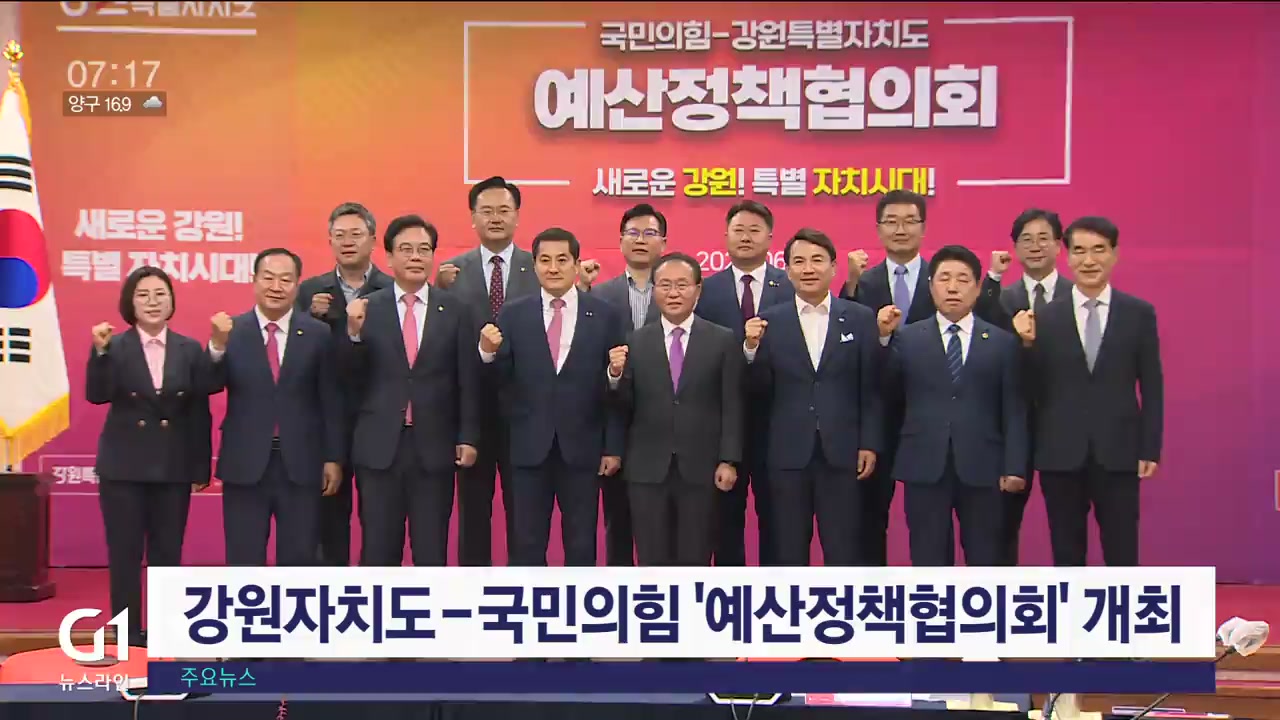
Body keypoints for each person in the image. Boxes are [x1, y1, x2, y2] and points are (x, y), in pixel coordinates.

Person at [838, 189, 1008, 567]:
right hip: (879, 419)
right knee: (870, 519)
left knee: (966, 536)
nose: (900, 229)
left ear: (923, 227)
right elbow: (849, 348)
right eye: (891, 222)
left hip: (940, 422)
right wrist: (851, 288)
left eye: (909, 221)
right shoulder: (862, 283)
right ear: (878, 228)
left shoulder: (946, 278)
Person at [1012, 216, 1163, 567]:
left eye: (1099, 250)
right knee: (1067, 553)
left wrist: (1149, 447)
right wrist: (1027, 346)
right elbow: (1031, 389)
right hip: (1060, 453)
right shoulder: (1044, 317)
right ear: (1067, 256)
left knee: (1122, 551)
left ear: (1115, 254)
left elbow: (1152, 385)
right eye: (1079, 251)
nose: (1089, 260)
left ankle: (1121, 605)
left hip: (1119, 451)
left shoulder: (1139, 314)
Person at [478, 227, 626, 567]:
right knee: (526, 544)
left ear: (576, 264)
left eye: (562, 260)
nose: (554, 268)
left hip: (584, 448)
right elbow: (500, 381)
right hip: (528, 448)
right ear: (534, 265)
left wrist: (613, 446)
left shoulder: (605, 314)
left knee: (581, 544)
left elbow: (618, 391)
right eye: (545, 260)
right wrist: (487, 354)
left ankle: (579, 602)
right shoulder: (513, 314)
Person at [342, 214, 480, 566]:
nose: (416, 256)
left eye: (423, 249)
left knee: (431, 551)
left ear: (433, 255)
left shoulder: (456, 311)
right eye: (406, 249)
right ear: (389, 257)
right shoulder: (366, 308)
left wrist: (468, 436)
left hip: (434, 446)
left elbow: (467, 378)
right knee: (378, 550)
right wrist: (353, 335)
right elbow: (349, 381)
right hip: (378, 446)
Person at [878, 245, 1028, 567]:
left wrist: (1015, 466)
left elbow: (1014, 409)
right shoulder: (907, 338)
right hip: (924, 464)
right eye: (944, 278)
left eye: (962, 279)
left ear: (977, 287)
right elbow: (886, 393)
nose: (953, 287)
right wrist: (883, 340)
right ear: (931, 286)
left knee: (985, 557)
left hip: (984, 465)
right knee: (928, 558)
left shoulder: (1001, 342)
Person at [85, 266, 212, 646]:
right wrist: (100, 352)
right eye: (143, 295)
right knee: (124, 555)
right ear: (130, 303)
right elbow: (97, 394)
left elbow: (199, 412)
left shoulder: (189, 349)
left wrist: (200, 467)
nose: (153, 302)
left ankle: (164, 631)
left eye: (160, 294)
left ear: (172, 301)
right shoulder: (114, 346)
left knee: (167, 554)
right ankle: (126, 635)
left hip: (173, 466)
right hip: (123, 468)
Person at [743, 228, 881, 567]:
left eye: (817, 260)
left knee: (844, 549)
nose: (808, 269)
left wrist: (869, 443)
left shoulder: (860, 318)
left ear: (833, 267)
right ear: (787, 270)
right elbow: (757, 390)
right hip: (787, 454)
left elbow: (870, 387)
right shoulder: (768, 322)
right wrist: (750, 350)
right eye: (799, 261)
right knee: (788, 550)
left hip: (843, 452)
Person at [207, 248, 344, 566]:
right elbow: (209, 384)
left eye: (286, 279)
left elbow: (330, 399)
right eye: (268, 278)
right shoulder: (231, 331)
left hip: (301, 463)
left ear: (297, 285)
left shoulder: (317, 333)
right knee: (244, 558)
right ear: (254, 280)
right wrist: (216, 347)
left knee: (299, 558)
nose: (276, 287)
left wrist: (333, 457)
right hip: (245, 463)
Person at [609, 252, 743, 566]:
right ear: (654, 290)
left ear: (698, 289)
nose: (673, 293)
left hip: (701, 467)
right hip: (646, 469)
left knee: (695, 558)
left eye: (682, 285)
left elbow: (732, 404)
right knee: (651, 558)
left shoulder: (722, 340)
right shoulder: (635, 341)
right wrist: (615, 376)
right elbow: (623, 406)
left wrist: (728, 459)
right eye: (665, 285)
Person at [435, 176, 538, 567]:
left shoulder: (539, 266)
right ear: (472, 218)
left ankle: (522, 591)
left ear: (517, 216)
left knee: (524, 515)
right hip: (471, 413)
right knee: (473, 515)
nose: (496, 218)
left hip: (525, 411)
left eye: (504, 210)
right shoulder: (450, 274)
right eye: (487, 211)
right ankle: (472, 591)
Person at [693, 200, 794, 566]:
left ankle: (773, 591)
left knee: (779, 521)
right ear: (725, 236)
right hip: (720, 424)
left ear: (770, 237)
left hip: (778, 421)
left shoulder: (791, 286)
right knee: (725, 522)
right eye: (739, 230)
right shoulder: (705, 290)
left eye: (755, 230)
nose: (746, 237)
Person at [295, 202, 392, 566]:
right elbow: (291, 354)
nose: (347, 242)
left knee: (380, 522)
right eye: (339, 235)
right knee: (328, 520)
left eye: (356, 234)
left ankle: (374, 592)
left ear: (373, 239)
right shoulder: (309, 292)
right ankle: (331, 590)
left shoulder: (392, 289)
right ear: (329, 241)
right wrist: (309, 318)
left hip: (379, 417)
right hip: (324, 420)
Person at [584, 202, 671, 566]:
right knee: (617, 525)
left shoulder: (679, 292)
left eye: (649, 233)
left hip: (667, 426)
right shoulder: (598, 296)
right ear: (620, 241)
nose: (640, 240)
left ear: (663, 243)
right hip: (615, 425)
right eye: (632, 233)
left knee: (664, 533)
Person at [992, 208, 1073, 566]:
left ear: (1058, 245)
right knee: (1002, 523)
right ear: (1015, 248)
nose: (1035, 246)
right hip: (1011, 425)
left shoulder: (1077, 297)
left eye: (1044, 238)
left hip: (1065, 424)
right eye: (1026, 239)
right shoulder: (1000, 300)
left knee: (1067, 525)